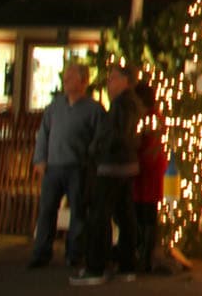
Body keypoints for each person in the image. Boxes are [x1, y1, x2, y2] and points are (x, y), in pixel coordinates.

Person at [72, 62, 145, 286]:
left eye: (113, 78)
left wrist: (97, 150)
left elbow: (115, 135)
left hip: (112, 166)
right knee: (124, 214)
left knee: (99, 215)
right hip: (126, 165)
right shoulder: (131, 104)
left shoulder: (121, 106)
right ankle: (126, 264)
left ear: (125, 81)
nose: (109, 83)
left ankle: (96, 267)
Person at [28, 61, 103, 269]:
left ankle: (74, 253)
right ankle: (41, 252)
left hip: (77, 167)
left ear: (83, 81)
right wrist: (40, 159)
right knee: (47, 210)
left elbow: (99, 138)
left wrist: (88, 159)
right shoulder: (55, 107)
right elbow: (43, 133)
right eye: (65, 77)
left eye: (71, 77)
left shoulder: (93, 109)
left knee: (78, 212)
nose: (66, 81)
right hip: (54, 166)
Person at [131, 82, 168, 274]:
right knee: (146, 212)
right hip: (150, 169)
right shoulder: (155, 118)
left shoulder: (148, 118)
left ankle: (144, 256)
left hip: (146, 170)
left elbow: (142, 142)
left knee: (145, 212)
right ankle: (144, 254)